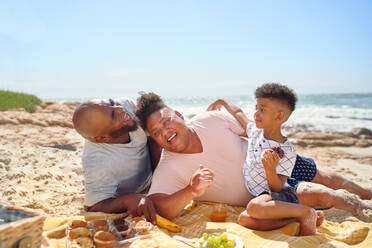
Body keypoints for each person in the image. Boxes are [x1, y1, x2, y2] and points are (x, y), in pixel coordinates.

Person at [134, 92, 371, 234]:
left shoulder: (211, 119)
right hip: (264, 192)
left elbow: (254, 130)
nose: (165, 132)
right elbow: (159, 209)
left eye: (166, 122)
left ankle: (365, 193)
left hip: (272, 160)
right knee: (324, 195)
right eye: (156, 132)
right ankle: (360, 208)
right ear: (154, 139)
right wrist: (190, 191)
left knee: (329, 178)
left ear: (178, 115)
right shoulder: (169, 166)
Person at [72, 98, 161, 223]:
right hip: (133, 192)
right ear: (103, 138)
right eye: (113, 115)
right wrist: (128, 200)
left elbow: (154, 127)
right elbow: (92, 206)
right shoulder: (98, 163)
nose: (120, 108)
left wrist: (159, 181)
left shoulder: (125, 107)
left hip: (154, 174)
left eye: (112, 103)